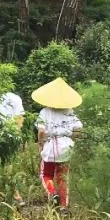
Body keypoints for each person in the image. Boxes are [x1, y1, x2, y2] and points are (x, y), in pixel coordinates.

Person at [32, 77, 83, 210]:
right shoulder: (70, 112)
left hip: (50, 146)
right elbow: (78, 129)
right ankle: (63, 207)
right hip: (66, 147)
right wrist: (71, 140)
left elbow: (42, 131)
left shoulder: (45, 112)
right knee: (62, 177)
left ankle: (52, 193)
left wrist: (41, 145)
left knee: (46, 174)